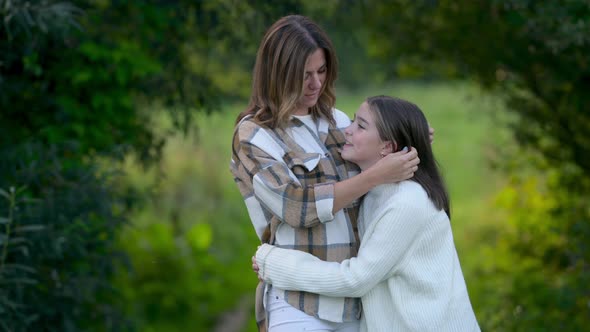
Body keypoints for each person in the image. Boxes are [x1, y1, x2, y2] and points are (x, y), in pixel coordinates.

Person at [230, 15, 421, 332]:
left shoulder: (337, 120)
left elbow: (381, 169)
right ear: (277, 74)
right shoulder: (254, 134)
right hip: (298, 304)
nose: (316, 84)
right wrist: (372, 177)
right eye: (304, 75)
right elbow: (296, 207)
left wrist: (412, 138)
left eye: (321, 71)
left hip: (354, 302)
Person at [254, 96, 481, 332]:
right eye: (352, 121)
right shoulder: (374, 193)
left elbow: (356, 279)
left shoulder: (407, 201)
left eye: (360, 126)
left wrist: (275, 263)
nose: (347, 131)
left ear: (387, 147)